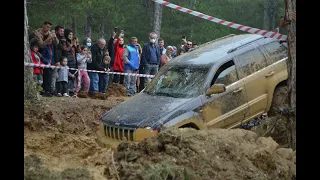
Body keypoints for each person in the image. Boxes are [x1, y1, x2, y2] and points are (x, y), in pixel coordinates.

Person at [63, 29, 80, 96]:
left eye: (72, 35)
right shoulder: (64, 41)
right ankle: (67, 91)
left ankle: (73, 91)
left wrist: (76, 44)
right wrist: (71, 44)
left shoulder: (73, 43)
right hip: (67, 61)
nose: (71, 36)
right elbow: (65, 50)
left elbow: (79, 51)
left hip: (74, 61)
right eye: (69, 34)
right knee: (69, 76)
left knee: (74, 76)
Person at [52, 25, 65, 96]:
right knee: (54, 75)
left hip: (61, 60)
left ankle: (57, 90)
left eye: (63, 31)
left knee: (58, 76)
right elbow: (55, 51)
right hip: (55, 60)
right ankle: (53, 89)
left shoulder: (62, 39)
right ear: (56, 31)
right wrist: (57, 61)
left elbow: (63, 50)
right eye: (60, 31)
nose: (62, 32)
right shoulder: (55, 39)